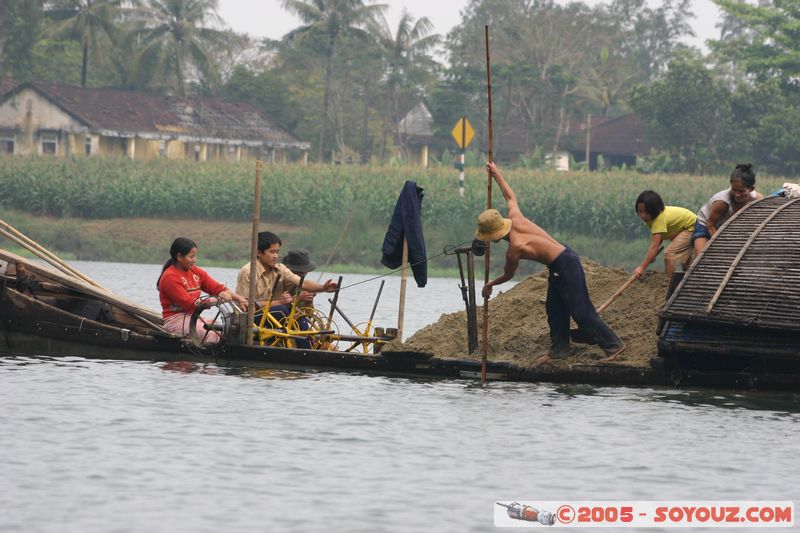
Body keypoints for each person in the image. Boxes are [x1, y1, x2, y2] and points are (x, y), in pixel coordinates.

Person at [479, 162, 625, 365]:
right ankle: (560, 349)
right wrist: (496, 174)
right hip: (559, 264)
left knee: (581, 312)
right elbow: (510, 196)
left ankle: (613, 345)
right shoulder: (515, 217)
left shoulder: (515, 249)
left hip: (565, 265)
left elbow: (508, 275)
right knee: (555, 309)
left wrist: (489, 285)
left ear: (494, 236)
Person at [235, 232, 336, 347]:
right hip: (251, 319)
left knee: (298, 315)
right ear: (258, 253)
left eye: (277, 252)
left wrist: (323, 287)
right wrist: (280, 302)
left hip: (272, 316)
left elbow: (302, 283)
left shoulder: (280, 269)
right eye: (272, 252)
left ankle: (307, 348)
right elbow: (246, 304)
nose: (276, 256)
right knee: (282, 310)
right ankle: (306, 349)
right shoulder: (248, 271)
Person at [157, 237, 247, 343]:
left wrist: (239, 298)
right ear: (179, 257)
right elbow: (191, 304)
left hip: (192, 317)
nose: (195, 260)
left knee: (225, 330)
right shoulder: (170, 277)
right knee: (212, 333)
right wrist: (218, 299)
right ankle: (212, 356)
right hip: (176, 320)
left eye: (195, 256)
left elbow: (217, 288)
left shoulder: (194, 271)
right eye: (191, 257)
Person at [691, 163, 763, 256]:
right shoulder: (722, 202)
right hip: (706, 225)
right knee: (701, 256)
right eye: (734, 190)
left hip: (727, 227)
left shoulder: (757, 200)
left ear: (751, 189)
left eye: (741, 191)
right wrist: (720, 245)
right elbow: (710, 225)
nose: (737, 194)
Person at [634, 191, 697, 280]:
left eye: (647, 212)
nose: (643, 215)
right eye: (640, 211)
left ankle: (668, 283)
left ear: (654, 210)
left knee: (669, 254)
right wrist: (652, 255)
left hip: (691, 227)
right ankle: (691, 280)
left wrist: (642, 267)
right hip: (682, 228)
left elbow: (654, 246)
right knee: (687, 262)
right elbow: (658, 239)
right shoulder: (650, 219)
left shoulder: (658, 219)